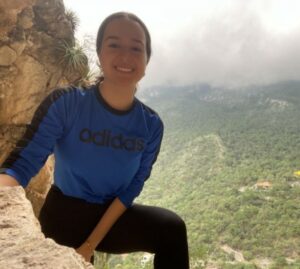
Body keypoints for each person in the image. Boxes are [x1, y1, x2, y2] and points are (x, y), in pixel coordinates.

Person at [0, 12, 189, 269]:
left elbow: (132, 187)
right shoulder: (67, 103)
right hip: (63, 215)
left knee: (171, 228)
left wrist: (90, 245)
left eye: (136, 48)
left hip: (112, 216)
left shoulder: (151, 125)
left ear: (146, 61)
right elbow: (21, 164)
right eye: (114, 45)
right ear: (100, 54)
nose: (125, 56)